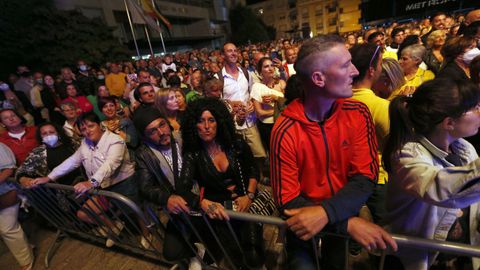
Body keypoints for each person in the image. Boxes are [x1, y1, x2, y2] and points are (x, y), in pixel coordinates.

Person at [270, 34, 397, 269]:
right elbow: (287, 199)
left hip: (340, 211)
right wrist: (347, 223)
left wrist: (328, 214)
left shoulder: (358, 112)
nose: (355, 72)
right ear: (318, 78)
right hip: (307, 224)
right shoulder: (285, 129)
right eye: (345, 65)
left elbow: (365, 176)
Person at [382, 79, 480, 270]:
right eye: (476, 108)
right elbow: (436, 187)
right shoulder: (407, 154)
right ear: (449, 123)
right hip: (416, 261)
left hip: (459, 257)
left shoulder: (464, 148)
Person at [177, 97, 265, 269]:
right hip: (221, 211)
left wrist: (249, 195)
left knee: (254, 256)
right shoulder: (193, 154)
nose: (207, 126)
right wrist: (202, 202)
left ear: (220, 121)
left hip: (246, 202)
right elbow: (182, 187)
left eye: (211, 120)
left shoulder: (236, 143)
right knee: (235, 255)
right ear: (194, 126)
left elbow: (253, 170)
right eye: (201, 121)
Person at [33, 112, 138, 247]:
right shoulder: (85, 143)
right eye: (83, 129)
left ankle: (148, 234)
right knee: (83, 214)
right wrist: (49, 177)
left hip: (124, 184)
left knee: (137, 213)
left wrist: (91, 182)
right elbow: (72, 161)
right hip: (105, 187)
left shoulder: (114, 140)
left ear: (99, 125)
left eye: (91, 126)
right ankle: (115, 227)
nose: (87, 131)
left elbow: (111, 164)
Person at [133, 107, 201, 269]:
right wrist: (167, 198)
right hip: (179, 209)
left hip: (202, 197)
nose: (161, 132)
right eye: (152, 131)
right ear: (144, 136)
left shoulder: (183, 138)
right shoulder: (144, 154)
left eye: (162, 125)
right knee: (171, 252)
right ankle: (195, 253)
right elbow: (145, 186)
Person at [350, 43, 390, 224]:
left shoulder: (338, 99)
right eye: (381, 63)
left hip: (347, 178)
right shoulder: (380, 106)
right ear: (372, 71)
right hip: (377, 178)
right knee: (384, 231)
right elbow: (395, 146)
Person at [0, 142, 34, 270]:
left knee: (7, 228)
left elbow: (9, 169)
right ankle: (26, 247)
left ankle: (26, 260)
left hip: (7, 192)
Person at [17, 122, 82, 187]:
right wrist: (24, 180)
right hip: (60, 191)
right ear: (40, 136)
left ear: (58, 133)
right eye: (44, 133)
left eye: (51, 132)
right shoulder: (38, 152)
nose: (48, 135)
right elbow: (21, 171)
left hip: (84, 184)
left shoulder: (74, 144)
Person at [250, 57, 285, 152]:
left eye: (272, 65)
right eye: (266, 66)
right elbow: (259, 113)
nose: (270, 68)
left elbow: (290, 103)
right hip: (269, 127)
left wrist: (276, 98)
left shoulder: (281, 84)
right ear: (260, 72)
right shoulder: (257, 87)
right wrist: (280, 110)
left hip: (283, 124)